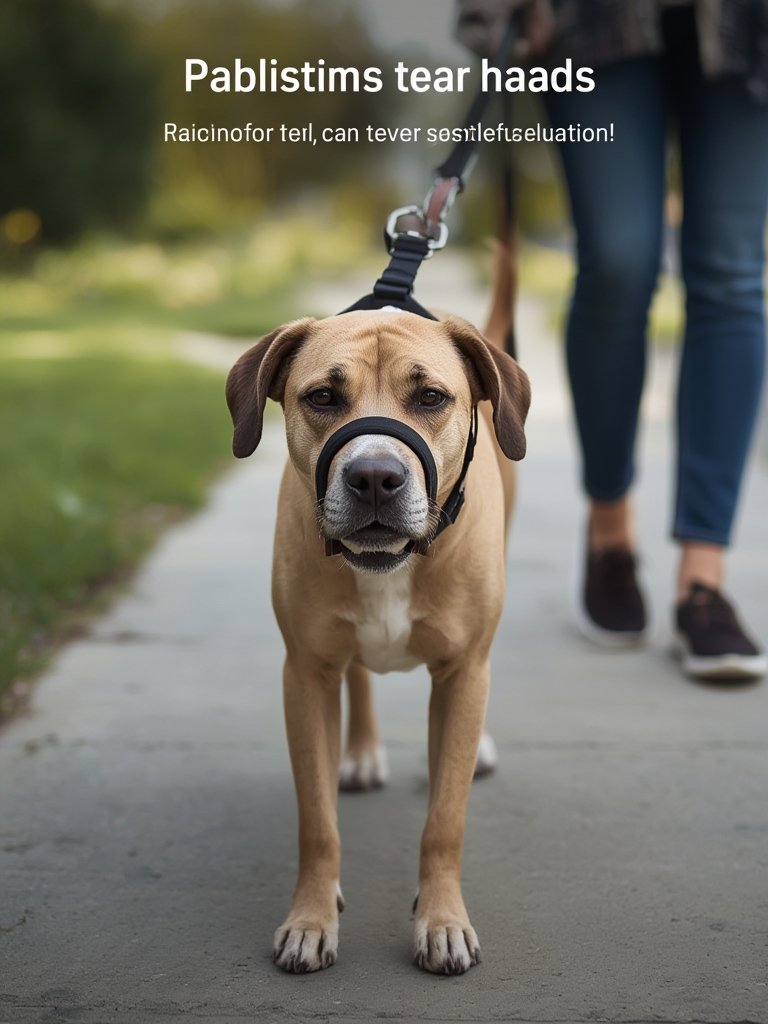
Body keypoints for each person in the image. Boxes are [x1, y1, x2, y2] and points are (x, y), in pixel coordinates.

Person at [456, 0, 768, 680]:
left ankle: (703, 579)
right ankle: (608, 531)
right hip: (592, 22)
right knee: (618, 262)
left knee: (734, 272)